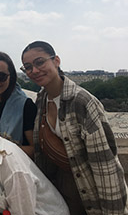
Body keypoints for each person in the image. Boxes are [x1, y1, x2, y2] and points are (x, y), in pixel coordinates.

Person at [21, 41, 128, 215]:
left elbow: (105, 164)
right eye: (27, 67)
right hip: (59, 194)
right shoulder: (41, 100)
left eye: (39, 62)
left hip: (88, 194)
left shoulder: (82, 102)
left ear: (56, 61)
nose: (34, 70)